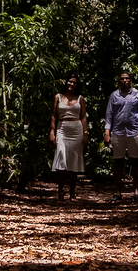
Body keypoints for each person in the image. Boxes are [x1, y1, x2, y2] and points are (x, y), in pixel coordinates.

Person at [103, 71, 138, 203]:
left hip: (134, 132)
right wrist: (107, 132)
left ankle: (136, 192)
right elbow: (109, 114)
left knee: (135, 162)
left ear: (131, 80)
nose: (124, 81)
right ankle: (117, 192)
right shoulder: (114, 96)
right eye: (122, 79)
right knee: (118, 162)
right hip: (118, 132)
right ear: (119, 80)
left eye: (127, 78)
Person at [49, 73, 87, 201]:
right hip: (62, 129)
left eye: (74, 82)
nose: (71, 84)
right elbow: (54, 115)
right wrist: (52, 131)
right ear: (66, 82)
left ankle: (72, 192)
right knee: (61, 156)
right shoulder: (58, 97)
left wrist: (86, 134)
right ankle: (60, 191)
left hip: (77, 129)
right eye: (70, 81)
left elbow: (83, 117)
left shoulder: (80, 98)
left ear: (77, 85)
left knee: (74, 161)